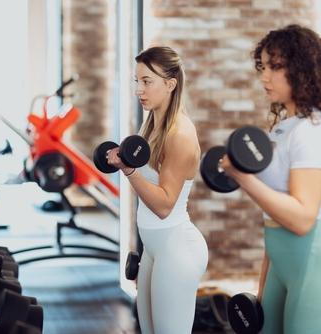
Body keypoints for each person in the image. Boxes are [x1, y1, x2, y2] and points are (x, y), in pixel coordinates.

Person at [220, 24, 321, 333]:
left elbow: (301, 219)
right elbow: (274, 216)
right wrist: (263, 285)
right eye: (264, 67)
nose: (264, 76)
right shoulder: (284, 128)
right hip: (280, 265)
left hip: (315, 268)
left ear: (303, 70)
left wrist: (242, 177)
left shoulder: (314, 130)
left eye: (276, 67)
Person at [106, 46, 208, 334]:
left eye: (147, 81)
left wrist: (128, 170)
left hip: (177, 248)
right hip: (154, 248)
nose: (139, 89)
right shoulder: (151, 125)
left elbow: (164, 205)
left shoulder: (180, 134)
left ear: (170, 84)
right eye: (136, 81)